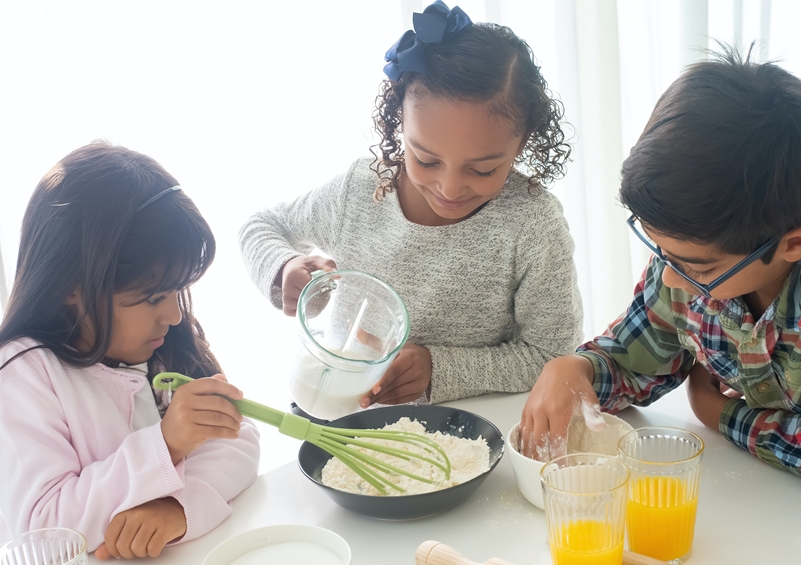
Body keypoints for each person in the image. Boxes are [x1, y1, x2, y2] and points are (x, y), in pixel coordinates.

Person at [520, 45, 801, 491]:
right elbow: (637, 361)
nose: (671, 278)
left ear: (793, 245)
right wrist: (574, 368)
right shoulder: (690, 255)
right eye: (661, 251)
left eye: (696, 265)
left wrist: (713, 411)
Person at [239, 1, 583, 410]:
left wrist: (439, 368)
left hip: (462, 434)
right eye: (425, 159)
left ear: (521, 145)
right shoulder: (359, 191)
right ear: (399, 122)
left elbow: (552, 356)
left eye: (482, 169)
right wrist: (283, 266)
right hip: (340, 413)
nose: (450, 188)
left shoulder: (532, 225)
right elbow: (261, 226)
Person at [0, 143, 261, 558]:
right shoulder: (23, 373)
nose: (175, 315)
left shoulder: (162, 345)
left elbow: (239, 438)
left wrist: (177, 506)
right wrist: (167, 446)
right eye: (153, 297)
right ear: (72, 286)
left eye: (179, 291)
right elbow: (45, 529)